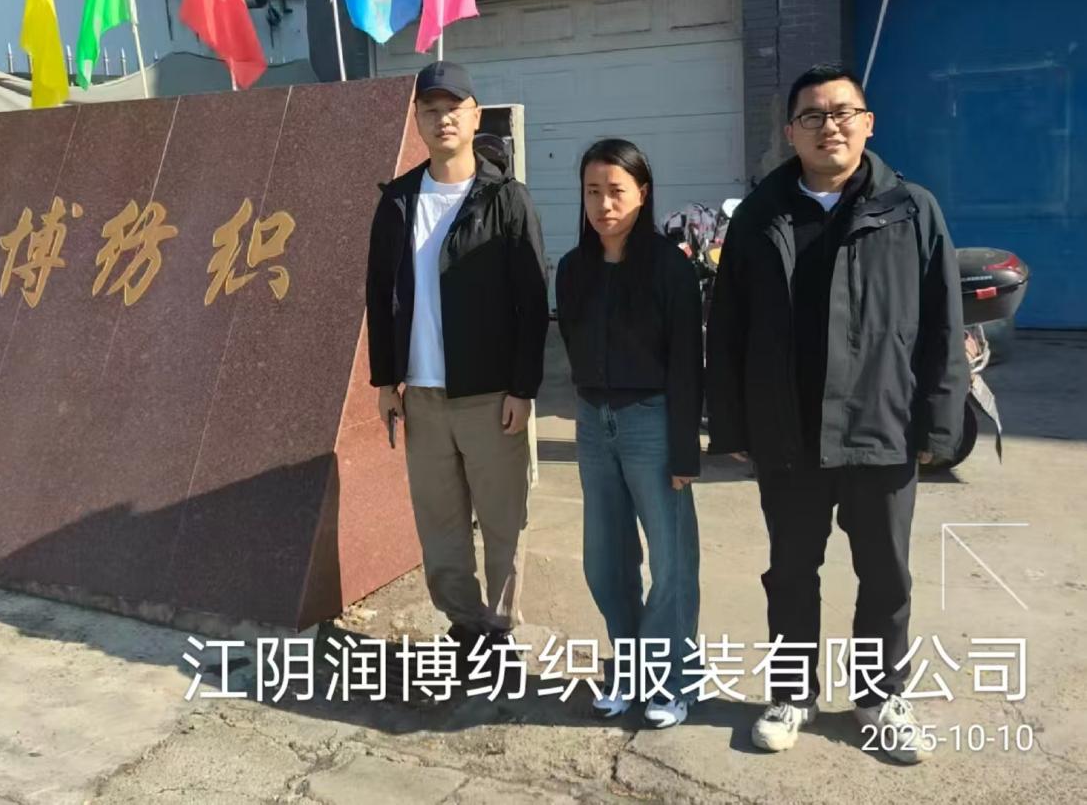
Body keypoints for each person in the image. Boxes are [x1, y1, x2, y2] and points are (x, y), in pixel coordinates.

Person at [707, 64, 968, 762]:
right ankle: (792, 694)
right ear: (790, 132)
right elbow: (726, 326)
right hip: (787, 432)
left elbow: (943, 324)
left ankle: (880, 697)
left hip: (880, 427)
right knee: (790, 572)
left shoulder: (911, 210)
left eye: (843, 112)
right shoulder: (759, 216)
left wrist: (939, 424)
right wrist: (730, 423)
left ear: (868, 123)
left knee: (885, 576)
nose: (830, 127)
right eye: (813, 116)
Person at [365, 60, 550, 665]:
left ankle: (499, 627)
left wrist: (522, 387)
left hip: (490, 395)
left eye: (453, 108)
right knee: (439, 522)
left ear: (474, 117)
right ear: (417, 120)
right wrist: (385, 381)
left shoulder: (505, 199)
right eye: (430, 110)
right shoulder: (398, 201)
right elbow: (379, 295)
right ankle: (464, 624)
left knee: (502, 519)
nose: (442, 119)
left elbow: (532, 301)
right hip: (422, 394)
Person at [555, 138, 704, 728]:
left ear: (642, 193)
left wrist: (685, 448)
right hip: (595, 424)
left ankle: (674, 676)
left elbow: (688, 362)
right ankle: (632, 664)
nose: (604, 204)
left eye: (616, 191)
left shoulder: (670, 268)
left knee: (671, 562)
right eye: (593, 191)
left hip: (653, 422)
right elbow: (572, 343)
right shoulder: (573, 269)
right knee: (606, 560)